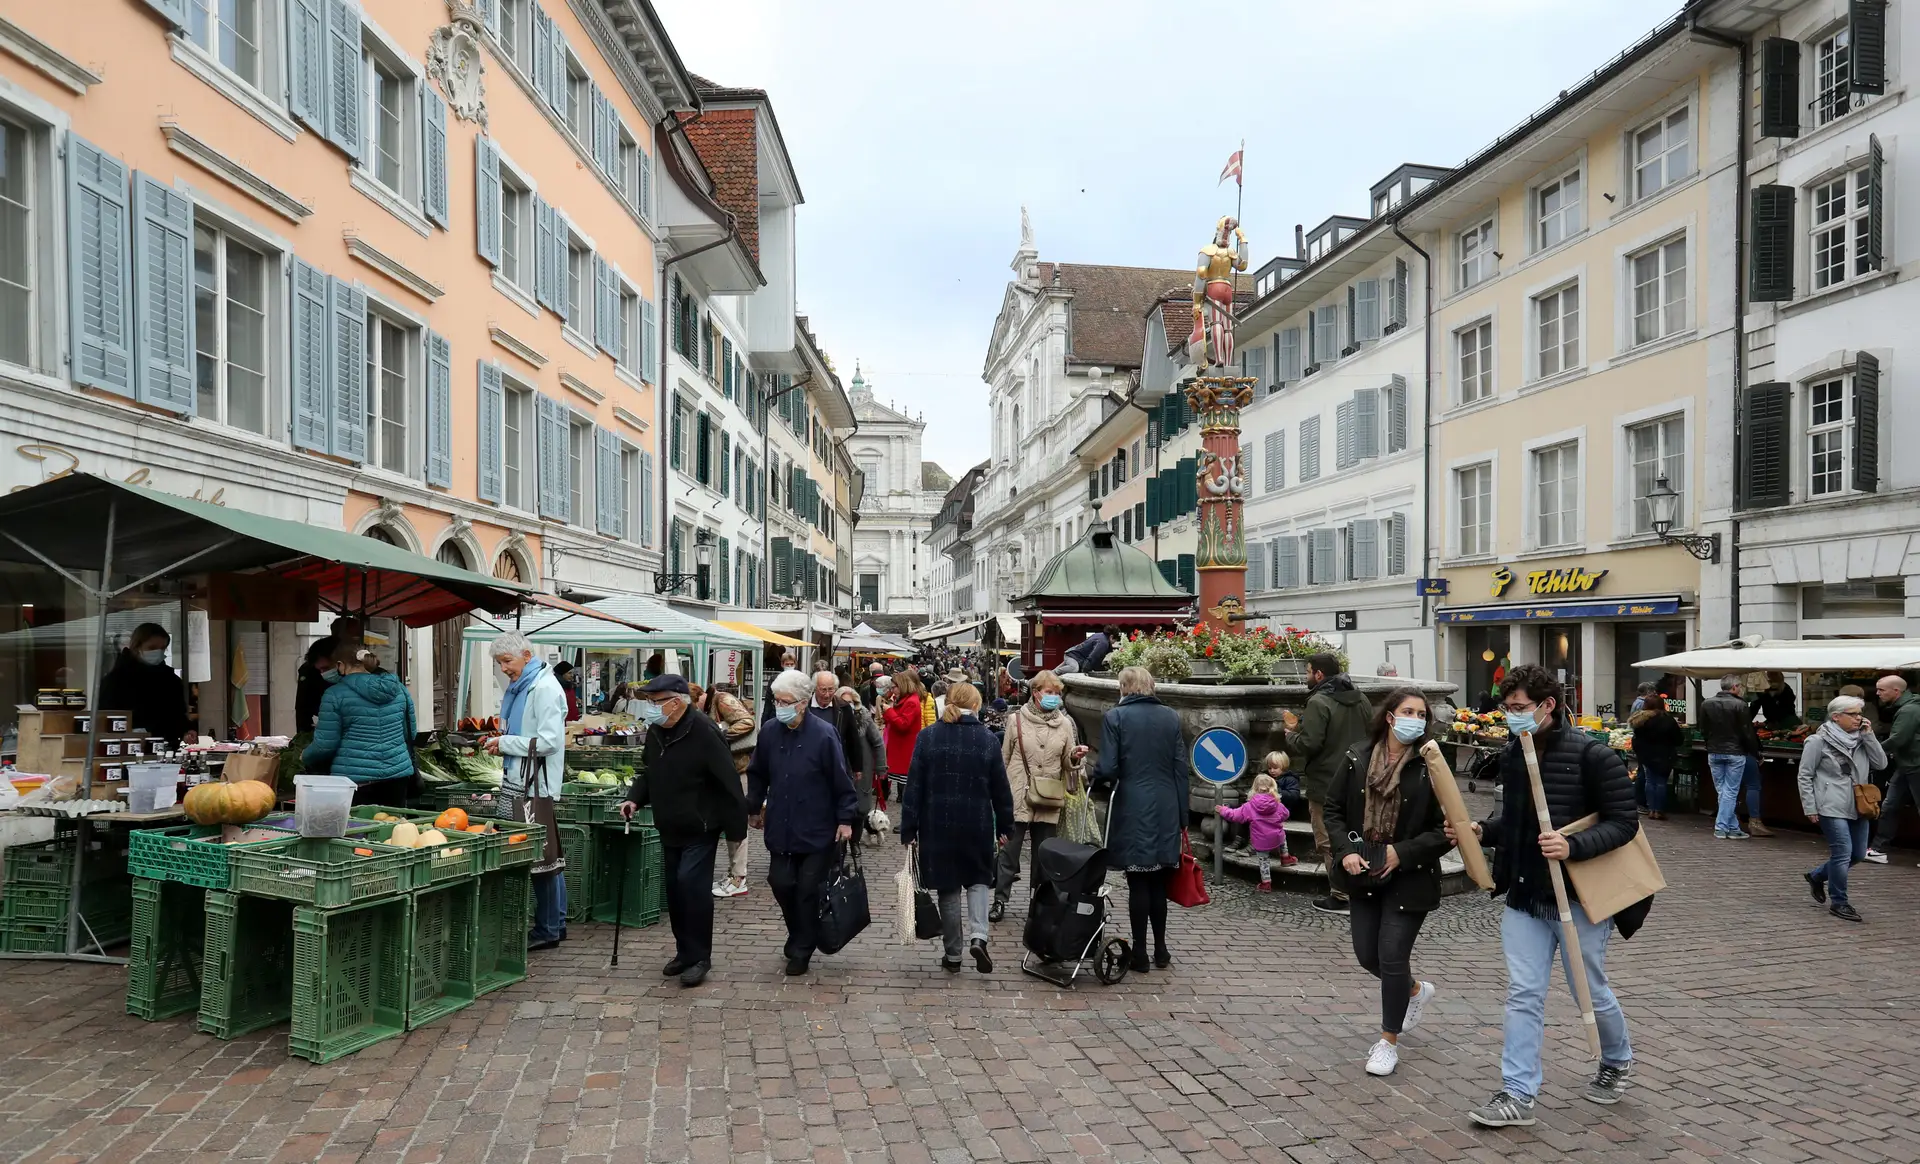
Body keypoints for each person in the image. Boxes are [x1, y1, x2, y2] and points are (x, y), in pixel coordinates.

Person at [1454, 664, 1639, 1129]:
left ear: (1547, 706)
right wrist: (1483, 831)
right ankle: (1517, 1093)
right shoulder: (1517, 753)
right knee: (1523, 993)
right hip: (1526, 894)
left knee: (1589, 990)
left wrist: (1572, 845)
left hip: (1578, 896)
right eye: (1507, 708)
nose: (1511, 717)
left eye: (1519, 709)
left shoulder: (1594, 756)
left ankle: (1615, 1059)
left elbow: (1624, 823)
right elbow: (1515, 822)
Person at [1321, 688, 1449, 1078]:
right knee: (1367, 955)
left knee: (1391, 956)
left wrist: (1403, 853)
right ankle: (1413, 990)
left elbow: (1448, 829)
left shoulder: (1432, 763)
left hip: (1410, 876)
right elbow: (1334, 808)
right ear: (1390, 717)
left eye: (1422, 713)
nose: (1416, 718)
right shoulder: (1357, 756)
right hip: (1365, 872)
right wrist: (1344, 850)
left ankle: (1387, 1042)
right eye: (1407, 711)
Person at [617, 675, 748, 987]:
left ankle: (700, 956)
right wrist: (634, 799)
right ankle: (684, 952)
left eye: (656, 701)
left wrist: (735, 831)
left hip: (701, 824)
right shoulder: (656, 731)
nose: (651, 708)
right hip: (669, 823)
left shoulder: (704, 731)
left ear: (676, 702)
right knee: (675, 889)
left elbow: (729, 781)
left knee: (692, 885)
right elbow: (648, 772)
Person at [747, 669, 858, 976]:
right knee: (780, 882)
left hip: (817, 827)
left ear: (802, 702)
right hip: (781, 826)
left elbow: (841, 779)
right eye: (776, 700)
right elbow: (757, 773)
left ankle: (803, 948)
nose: (778, 705)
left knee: (808, 887)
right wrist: (753, 807)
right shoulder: (769, 731)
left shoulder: (823, 734)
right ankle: (798, 931)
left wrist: (845, 820)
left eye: (785, 701)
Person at [902, 682, 1014, 973]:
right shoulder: (987, 739)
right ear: (975, 705)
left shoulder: (928, 737)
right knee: (978, 881)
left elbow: (913, 788)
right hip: (976, 822)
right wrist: (1005, 825)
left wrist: (909, 829)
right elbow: (1001, 789)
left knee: (948, 888)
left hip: (937, 823)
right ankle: (979, 936)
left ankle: (953, 954)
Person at [1092, 666, 1186, 973]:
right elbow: (1179, 768)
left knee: (1139, 881)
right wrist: (1183, 815)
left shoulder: (1115, 718)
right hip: (1167, 804)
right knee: (1158, 881)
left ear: (1123, 687)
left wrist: (1094, 776)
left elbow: (1108, 768)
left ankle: (1141, 953)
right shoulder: (1170, 716)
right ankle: (1161, 950)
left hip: (1135, 803)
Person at [484, 634, 569, 950]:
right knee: (547, 856)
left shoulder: (543, 689)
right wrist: (502, 744)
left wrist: (505, 743)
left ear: (527, 655)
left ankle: (548, 928)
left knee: (540, 858)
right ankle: (555, 924)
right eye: (500, 663)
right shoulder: (524, 687)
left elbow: (549, 742)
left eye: (508, 661)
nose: (504, 669)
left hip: (536, 784)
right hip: (525, 779)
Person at [1282, 652, 1374, 914]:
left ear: (1319, 674)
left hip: (1326, 782)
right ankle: (1361, 887)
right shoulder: (1362, 698)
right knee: (1358, 833)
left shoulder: (1319, 702)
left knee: (1328, 839)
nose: (1307, 676)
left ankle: (1340, 894)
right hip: (1358, 777)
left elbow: (1311, 744)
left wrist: (1290, 736)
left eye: (1309, 671)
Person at [993, 669, 1087, 921]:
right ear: (1036, 693)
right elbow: (1004, 758)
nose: (1054, 697)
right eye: (1049, 692)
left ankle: (1039, 901)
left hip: (1048, 797)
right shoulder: (1016, 721)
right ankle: (1000, 900)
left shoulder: (1065, 724)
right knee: (1009, 851)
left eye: (1057, 693)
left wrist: (1074, 757)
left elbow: (1067, 762)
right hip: (1019, 792)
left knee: (1044, 855)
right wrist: (999, 793)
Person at [1798, 694, 1886, 922]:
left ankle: (1817, 876)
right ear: (1836, 717)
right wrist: (1810, 806)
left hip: (1859, 804)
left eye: (1860, 713)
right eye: (1853, 714)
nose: (1859, 718)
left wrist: (1870, 737)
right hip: (1830, 804)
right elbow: (1804, 776)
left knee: (1857, 854)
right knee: (1842, 853)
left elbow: (1881, 763)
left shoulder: (1862, 739)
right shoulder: (1817, 741)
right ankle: (1840, 902)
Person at [302, 640, 417, 805]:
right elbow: (410, 733)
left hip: (355, 782)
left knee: (359, 829)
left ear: (340, 665)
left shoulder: (334, 695)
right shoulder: (398, 689)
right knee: (395, 827)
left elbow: (325, 745)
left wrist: (305, 755)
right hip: (398, 778)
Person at [704, 681, 759, 899]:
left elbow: (747, 722)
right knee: (731, 823)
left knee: (737, 824)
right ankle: (733, 874)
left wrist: (719, 737)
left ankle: (739, 878)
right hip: (729, 771)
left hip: (738, 770)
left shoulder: (721, 699)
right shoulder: (709, 705)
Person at [97, 622, 192, 744]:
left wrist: (186, 729)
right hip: (128, 746)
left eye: (162, 648)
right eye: (152, 648)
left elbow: (177, 713)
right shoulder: (116, 680)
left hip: (166, 746)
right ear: (136, 647)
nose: (158, 652)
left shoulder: (170, 679)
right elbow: (106, 717)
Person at [1864, 674, 1920, 864]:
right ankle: (1878, 849)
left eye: (1881, 690)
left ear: (1896, 691)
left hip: (1916, 765)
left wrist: (1873, 750)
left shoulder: (1909, 710)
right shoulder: (1907, 707)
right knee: (1889, 806)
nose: (1877, 693)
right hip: (1907, 765)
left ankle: (1878, 847)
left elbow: (1899, 739)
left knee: (1892, 806)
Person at [1700, 674, 1763, 839]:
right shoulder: (1740, 705)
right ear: (1734, 687)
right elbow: (1747, 733)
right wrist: (1756, 753)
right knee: (1730, 791)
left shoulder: (1707, 703)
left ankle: (1733, 828)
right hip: (1735, 752)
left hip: (1714, 751)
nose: (1741, 689)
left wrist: (1710, 744)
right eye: (1740, 686)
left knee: (1723, 791)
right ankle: (1721, 827)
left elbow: (1703, 729)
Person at [1215, 771, 1291, 891]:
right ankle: (1285, 857)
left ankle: (1266, 883)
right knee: (1282, 836)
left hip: (1261, 841)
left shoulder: (1249, 806)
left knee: (1264, 861)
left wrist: (1223, 810)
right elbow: (1286, 814)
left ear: (1254, 789)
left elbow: (1235, 815)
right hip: (1276, 836)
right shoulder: (1277, 804)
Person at [1628, 694, 1680, 821]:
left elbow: (1636, 739)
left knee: (1650, 781)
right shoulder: (1668, 720)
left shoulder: (1641, 720)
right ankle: (1659, 810)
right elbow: (1678, 739)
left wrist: (1640, 752)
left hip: (1646, 756)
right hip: (1664, 755)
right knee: (1661, 782)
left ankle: (1651, 809)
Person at [880, 668, 926, 808]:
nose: (893, 690)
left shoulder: (911, 702)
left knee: (907, 786)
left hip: (905, 749)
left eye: (894, 687)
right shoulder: (904, 699)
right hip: (901, 748)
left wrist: (889, 711)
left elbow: (903, 724)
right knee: (903, 783)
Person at [294, 637, 337, 735]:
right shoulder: (308, 671)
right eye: (319, 670)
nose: (323, 673)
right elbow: (302, 707)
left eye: (326, 668)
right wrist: (303, 735)